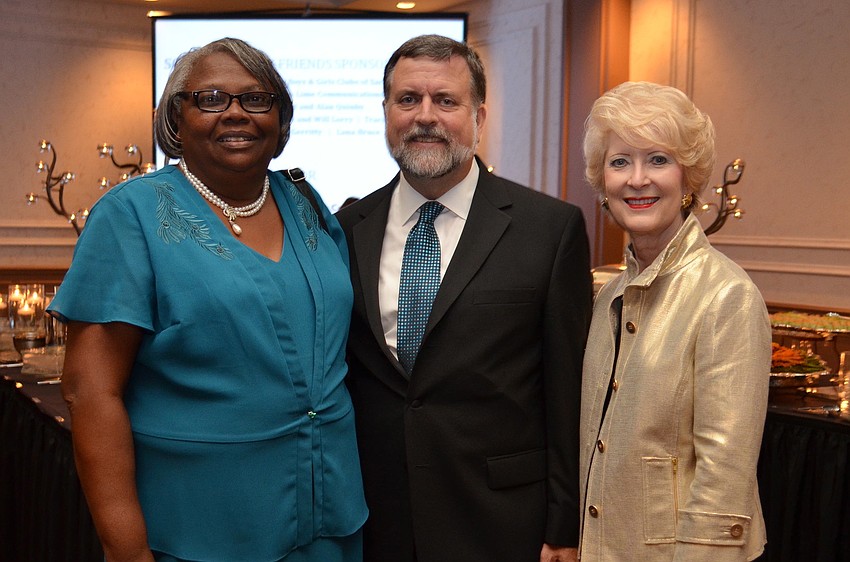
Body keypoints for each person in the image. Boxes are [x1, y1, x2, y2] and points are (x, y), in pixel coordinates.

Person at [49, 38, 367, 562]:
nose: (236, 113)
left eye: (256, 99)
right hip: (201, 530)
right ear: (176, 119)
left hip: (329, 519)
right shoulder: (130, 218)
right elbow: (90, 393)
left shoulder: (307, 204)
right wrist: (125, 549)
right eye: (211, 98)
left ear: (280, 118)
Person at [336, 34, 593, 562]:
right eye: (407, 99)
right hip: (373, 519)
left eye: (445, 101)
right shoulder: (346, 228)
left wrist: (564, 525)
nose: (424, 116)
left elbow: (569, 389)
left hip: (502, 521)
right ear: (386, 111)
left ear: (480, 115)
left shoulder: (549, 229)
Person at [578, 81, 770, 561]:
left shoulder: (727, 296)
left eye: (658, 159)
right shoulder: (610, 296)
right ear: (602, 181)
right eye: (620, 161)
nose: (637, 179)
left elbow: (724, 479)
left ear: (688, 179)